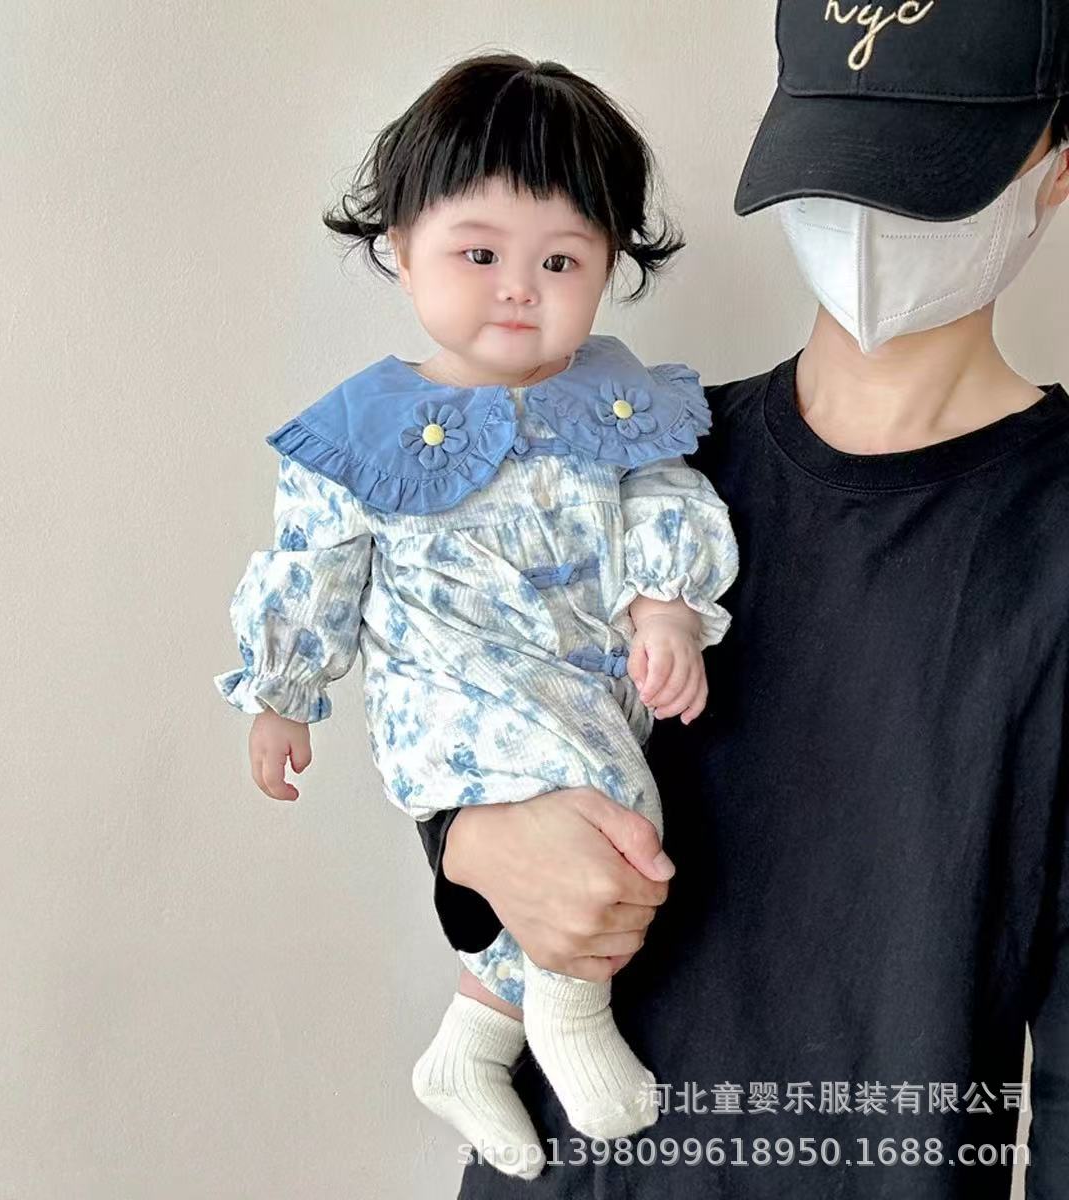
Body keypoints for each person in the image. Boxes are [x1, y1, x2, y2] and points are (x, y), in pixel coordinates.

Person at [415, 1, 1069, 1195]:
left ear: (1055, 168)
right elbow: (459, 669)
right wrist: (466, 841)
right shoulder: (642, 461)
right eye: (842, 166)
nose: (868, 224)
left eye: (921, 169)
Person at [212, 54, 739, 1181]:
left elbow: (665, 495)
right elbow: (312, 571)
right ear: (402, 248)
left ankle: (468, 1045)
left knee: (578, 827)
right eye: (480, 253)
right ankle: (570, 1014)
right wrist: (280, 697)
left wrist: (666, 611)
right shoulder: (359, 428)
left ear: (610, 267)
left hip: (584, 686)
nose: (519, 289)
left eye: (562, 260)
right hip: (449, 696)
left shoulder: (614, 393)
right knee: (613, 818)